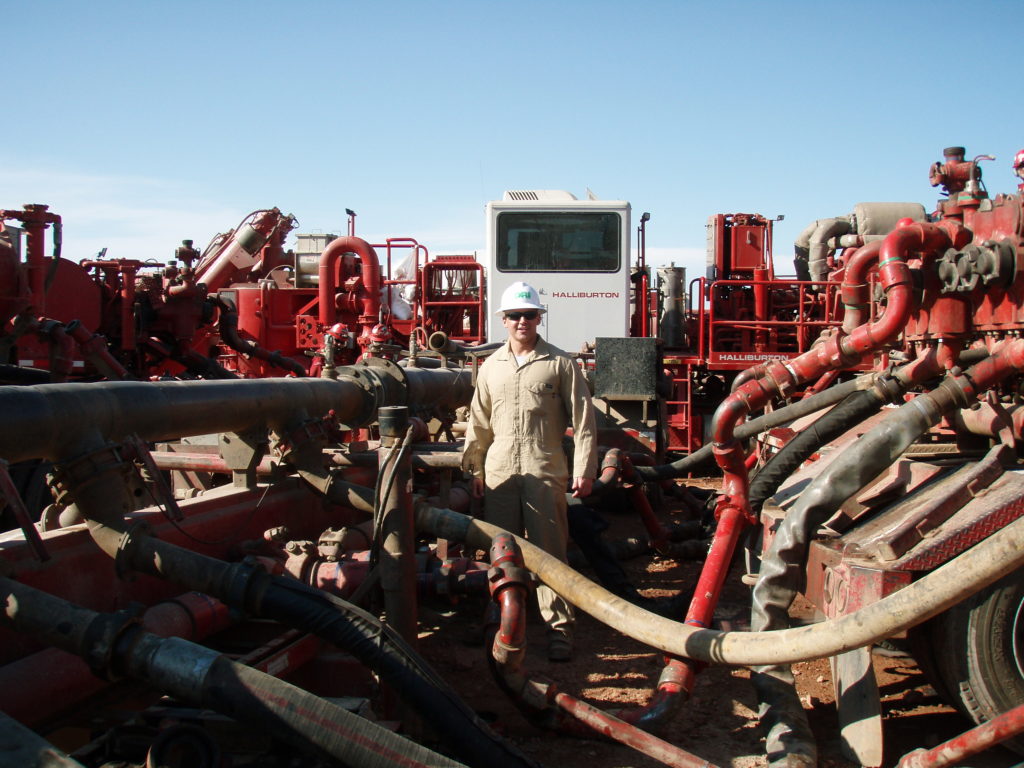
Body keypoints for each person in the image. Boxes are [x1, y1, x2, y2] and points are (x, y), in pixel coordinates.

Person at [462, 281, 597, 661]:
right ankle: (501, 621)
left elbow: (584, 422)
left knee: (550, 551)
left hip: (544, 468)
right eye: (515, 315)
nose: (522, 321)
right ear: (504, 320)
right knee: (500, 551)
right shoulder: (491, 367)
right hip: (500, 471)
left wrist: (584, 469)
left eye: (529, 315)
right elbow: (478, 422)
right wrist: (475, 470)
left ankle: (560, 628)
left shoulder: (560, 364)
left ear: (539, 319)